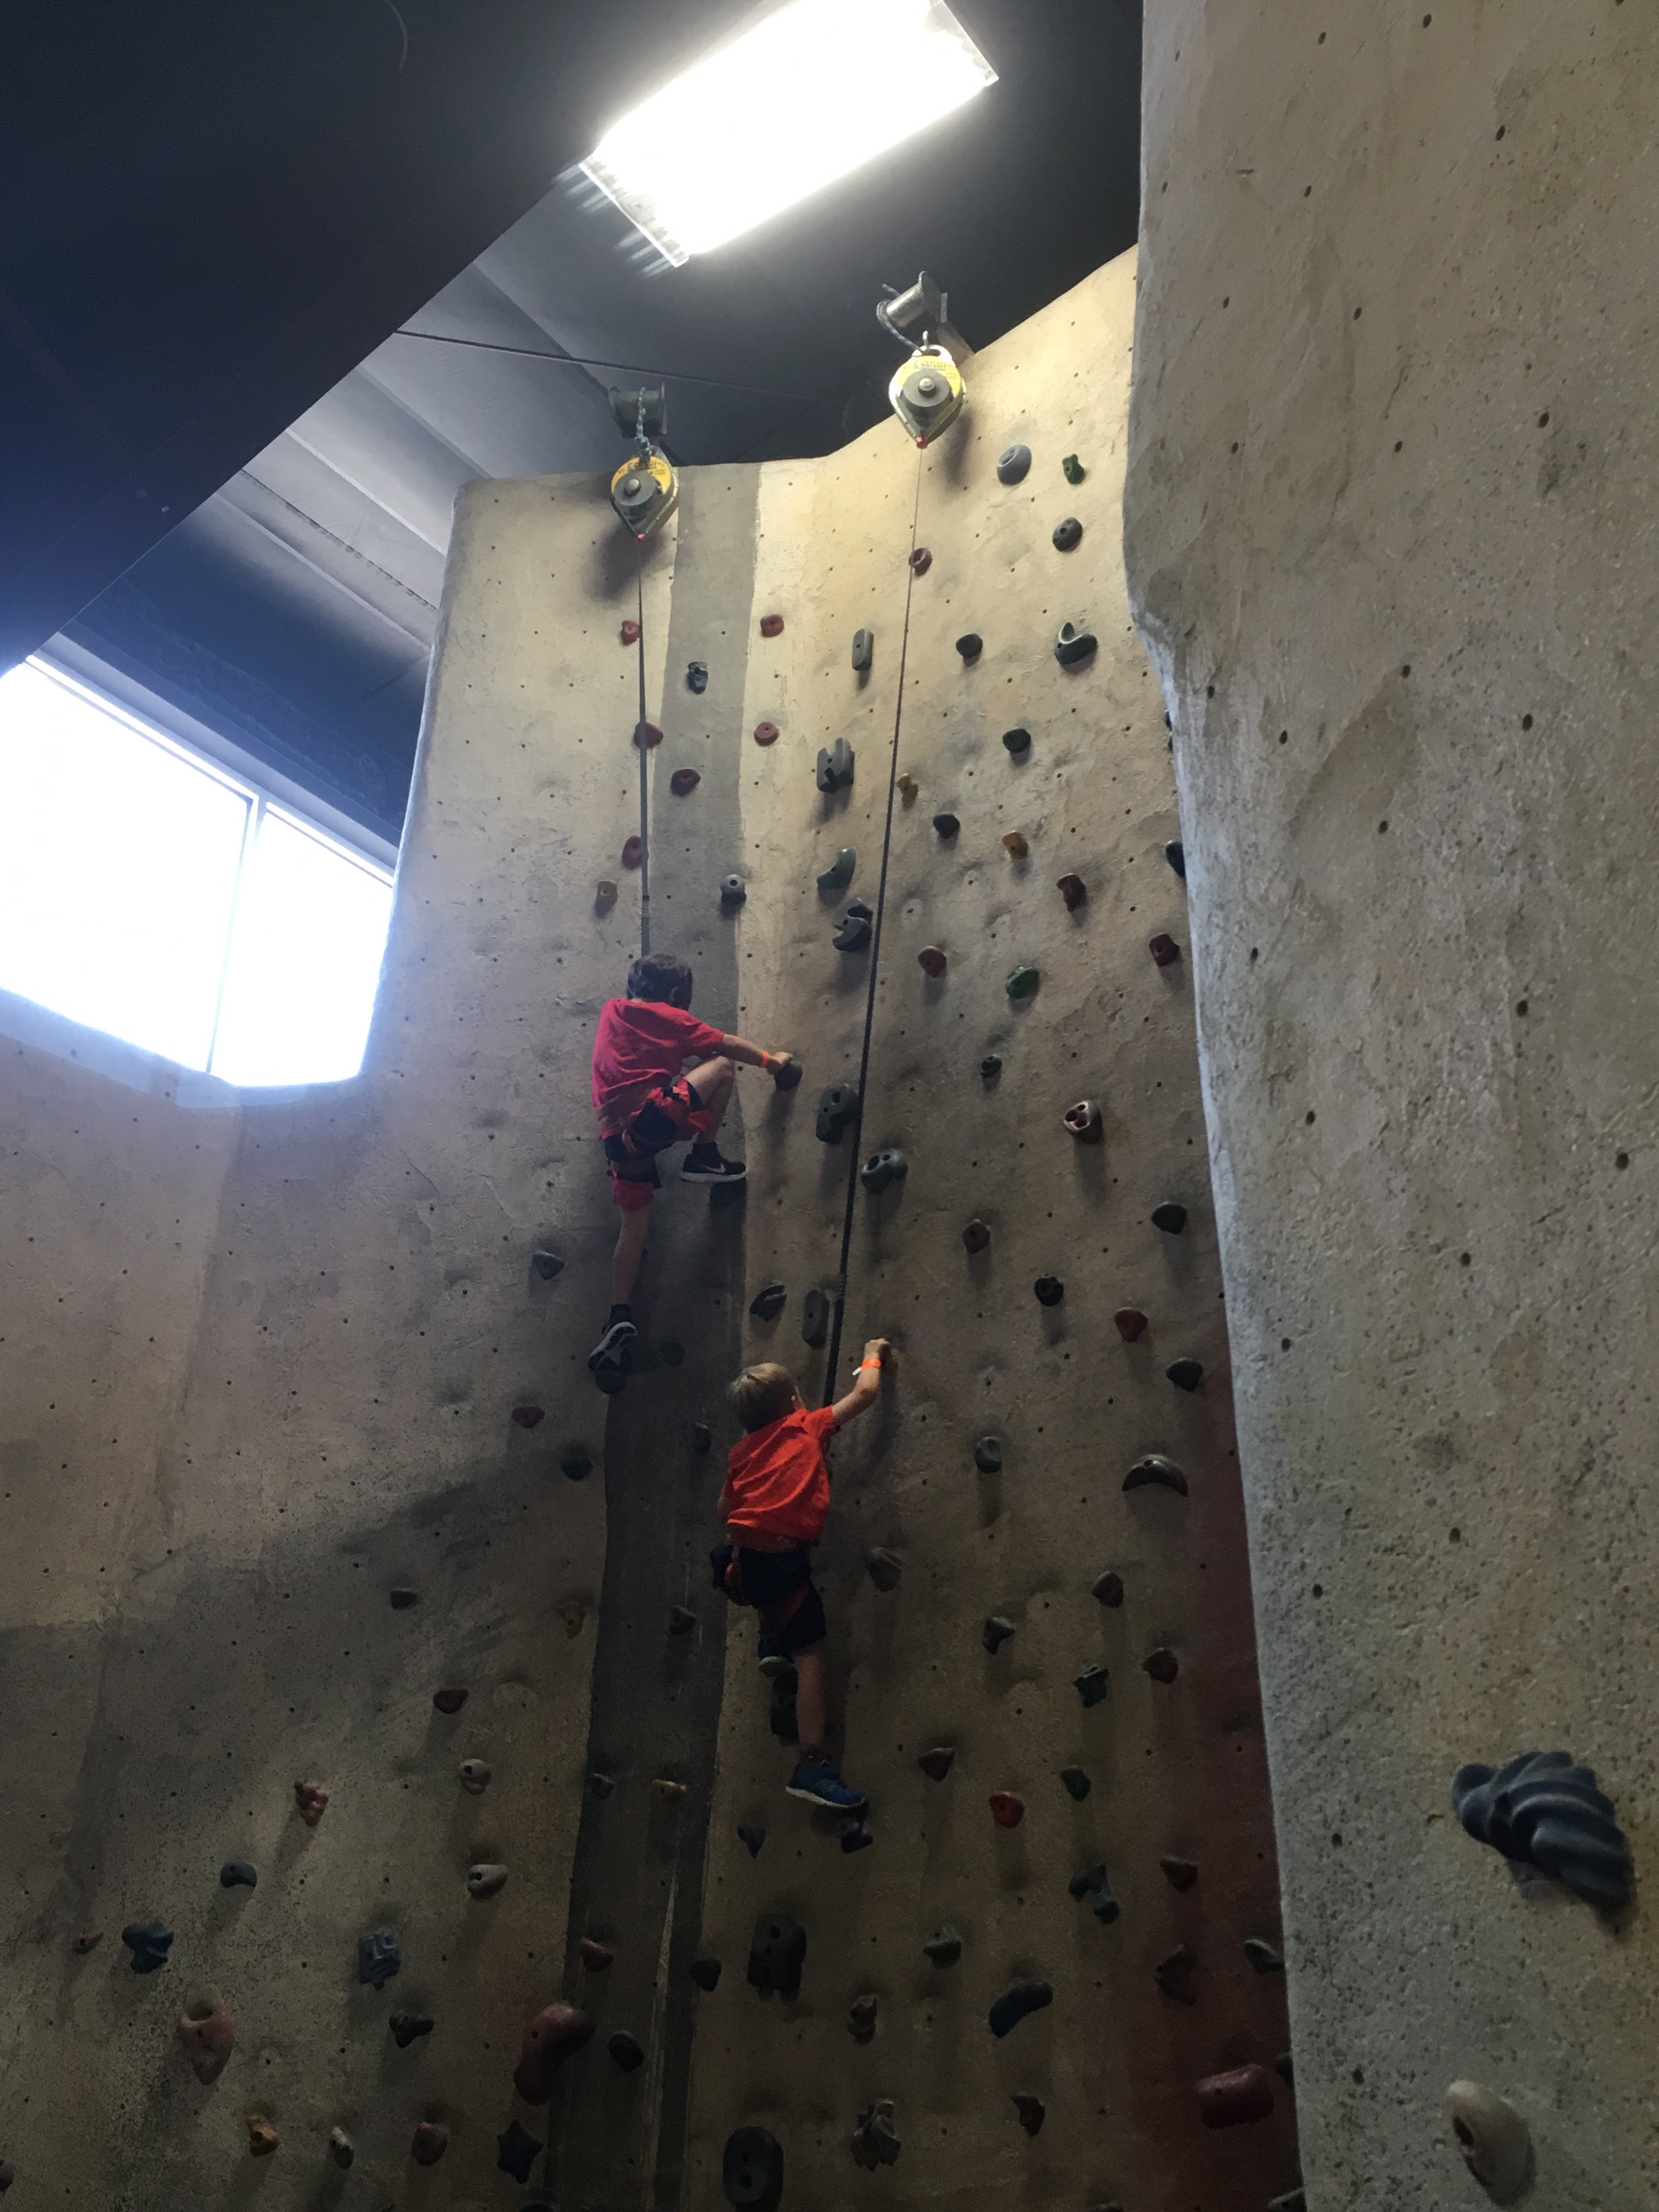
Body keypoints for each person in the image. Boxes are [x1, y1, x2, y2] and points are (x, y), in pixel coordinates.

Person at [589, 951, 794, 1378]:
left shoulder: (613, 1012)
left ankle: (618, 1313)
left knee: (633, 1228)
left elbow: (638, 1055)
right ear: (677, 993)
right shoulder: (673, 1018)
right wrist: (772, 1062)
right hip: (652, 1120)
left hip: (617, 1142)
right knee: (721, 1067)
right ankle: (705, 1154)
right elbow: (724, 1044)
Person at [715, 1341, 890, 1812]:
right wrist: (873, 1353)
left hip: (742, 1564)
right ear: (794, 1401)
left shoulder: (741, 1452)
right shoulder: (805, 1425)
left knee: (773, 1587)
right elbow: (866, 1394)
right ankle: (811, 1764)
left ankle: (771, 1639)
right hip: (782, 1563)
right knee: (810, 1656)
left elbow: (724, 1510)